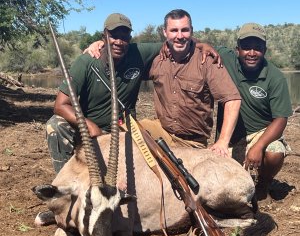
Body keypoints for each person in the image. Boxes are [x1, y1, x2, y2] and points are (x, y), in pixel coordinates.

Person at [47, 12, 220, 173]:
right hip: (89, 128)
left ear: (130, 38)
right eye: (113, 36)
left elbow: (177, 40)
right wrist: (89, 125)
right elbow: (60, 105)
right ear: (104, 36)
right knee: (56, 125)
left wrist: (200, 44)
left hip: (123, 128)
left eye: (124, 37)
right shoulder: (86, 62)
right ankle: (63, 183)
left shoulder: (138, 53)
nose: (119, 42)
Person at [86, 9, 241, 156]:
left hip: (191, 142)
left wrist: (223, 141)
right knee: (119, 136)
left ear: (191, 31)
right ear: (165, 32)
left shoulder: (206, 60)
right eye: (174, 30)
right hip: (161, 131)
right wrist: (102, 44)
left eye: (184, 30)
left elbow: (232, 100)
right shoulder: (157, 59)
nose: (179, 36)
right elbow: (123, 57)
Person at [216, 23, 293, 201]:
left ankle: (263, 183)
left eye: (257, 48)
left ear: (264, 50)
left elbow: (281, 119)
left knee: (275, 153)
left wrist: (258, 147)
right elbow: (196, 45)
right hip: (231, 135)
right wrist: (202, 45)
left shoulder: (275, 77)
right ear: (237, 49)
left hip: (260, 133)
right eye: (246, 47)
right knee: (226, 186)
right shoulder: (227, 59)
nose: (252, 53)